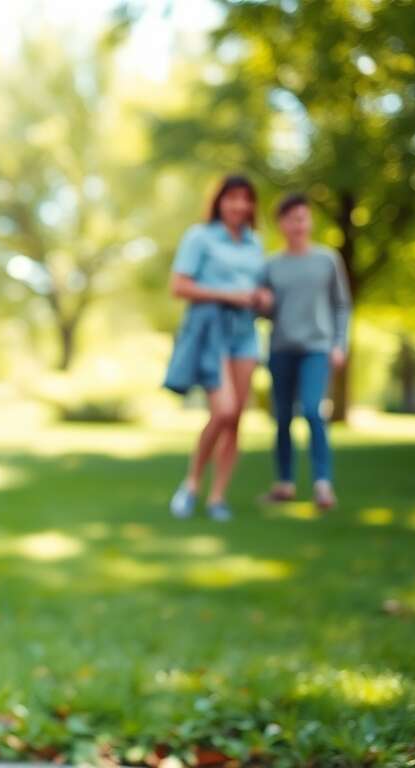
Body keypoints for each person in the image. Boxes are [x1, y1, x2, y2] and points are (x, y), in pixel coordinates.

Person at [163, 174, 270, 522]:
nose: (239, 205)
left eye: (245, 198)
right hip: (211, 331)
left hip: (245, 333)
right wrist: (228, 295)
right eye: (232, 197)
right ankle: (192, 483)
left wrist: (261, 298)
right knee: (223, 410)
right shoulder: (200, 237)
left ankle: (218, 497)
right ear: (219, 201)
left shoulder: (255, 243)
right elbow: (178, 286)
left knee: (236, 418)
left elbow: (258, 288)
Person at [260, 193, 351, 510]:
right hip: (281, 349)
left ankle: (322, 484)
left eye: (302, 218)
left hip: (317, 348)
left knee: (313, 411)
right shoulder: (271, 265)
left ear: (309, 221)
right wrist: (262, 304)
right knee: (283, 417)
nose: (297, 225)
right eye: (290, 219)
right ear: (281, 224)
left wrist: (339, 344)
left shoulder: (327, 260)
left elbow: (341, 306)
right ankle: (284, 484)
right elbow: (264, 312)